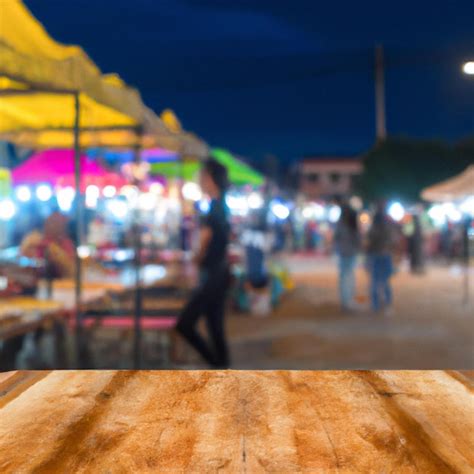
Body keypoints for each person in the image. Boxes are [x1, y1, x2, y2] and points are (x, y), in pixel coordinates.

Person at [176, 159, 231, 368]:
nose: (199, 180)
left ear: (210, 177)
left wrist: (192, 263)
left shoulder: (214, 209)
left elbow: (203, 245)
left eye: (202, 175)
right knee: (214, 326)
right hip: (220, 274)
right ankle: (221, 369)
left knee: (185, 324)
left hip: (213, 276)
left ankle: (216, 365)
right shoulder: (221, 205)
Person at [366, 207, 397, 314]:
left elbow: (368, 244)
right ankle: (387, 302)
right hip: (385, 256)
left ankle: (376, 304)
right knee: (385, 281)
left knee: (375, 282)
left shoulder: (372, 229)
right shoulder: (388, 229)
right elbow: (393, 242)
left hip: (375, 256)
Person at [334, 204, 360, 311]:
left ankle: (347, 301)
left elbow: (337, 239)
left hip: (345, 253)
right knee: (348, 277)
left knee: (345, 277)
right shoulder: (349, 226)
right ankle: (347, 301)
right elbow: (357, 240)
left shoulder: (342, 225)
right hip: (348, 253)